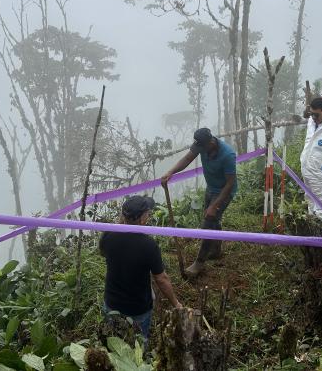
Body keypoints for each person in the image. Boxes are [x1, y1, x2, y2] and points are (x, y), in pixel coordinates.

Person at [99, 195, 182, 342]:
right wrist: (176, 303)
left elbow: (103, 252)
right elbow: (161, 279)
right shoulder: (149, 246)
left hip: (112, 303)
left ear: (123, 215)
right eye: (148, 213)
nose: (149, 216)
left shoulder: (108, 235)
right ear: (143, 218)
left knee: (113, 340)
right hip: (137, 309)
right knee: (138, 343)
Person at [161, 128, 237, 278]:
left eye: (202, 148)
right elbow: (187, 159)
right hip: (211, 188)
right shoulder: (202, 146)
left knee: (208, 222)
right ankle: (215, 250)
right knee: (213, 219)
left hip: (223, 191)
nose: (199, 151)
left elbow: (230, 184)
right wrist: (170, 172)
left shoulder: (227, 155)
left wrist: (215, 206)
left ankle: (199, 263)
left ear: (211, 142)